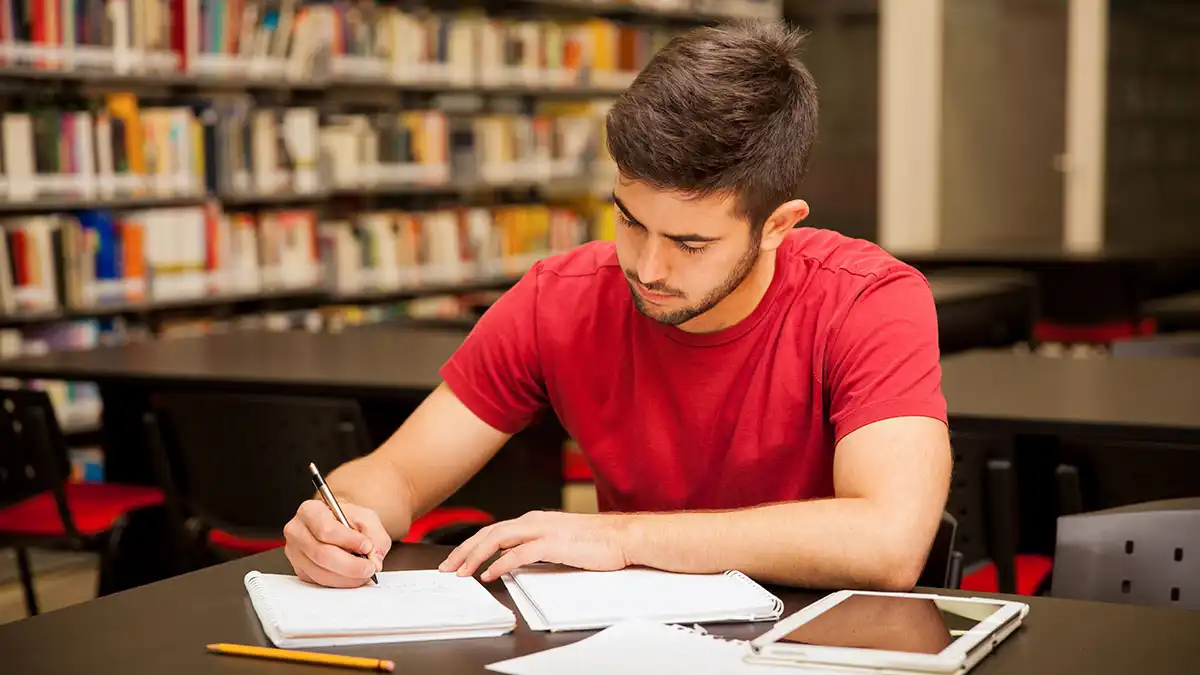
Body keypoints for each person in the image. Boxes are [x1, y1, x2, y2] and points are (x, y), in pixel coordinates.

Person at [283, 20, 952, 592]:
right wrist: (340, 516)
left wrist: (624, 537)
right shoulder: (561, 298)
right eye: (629, 220)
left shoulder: (868, 299)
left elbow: (888, 541)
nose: (648, 268)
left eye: (690, 242)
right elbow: (398, 474)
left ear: (779, 225)